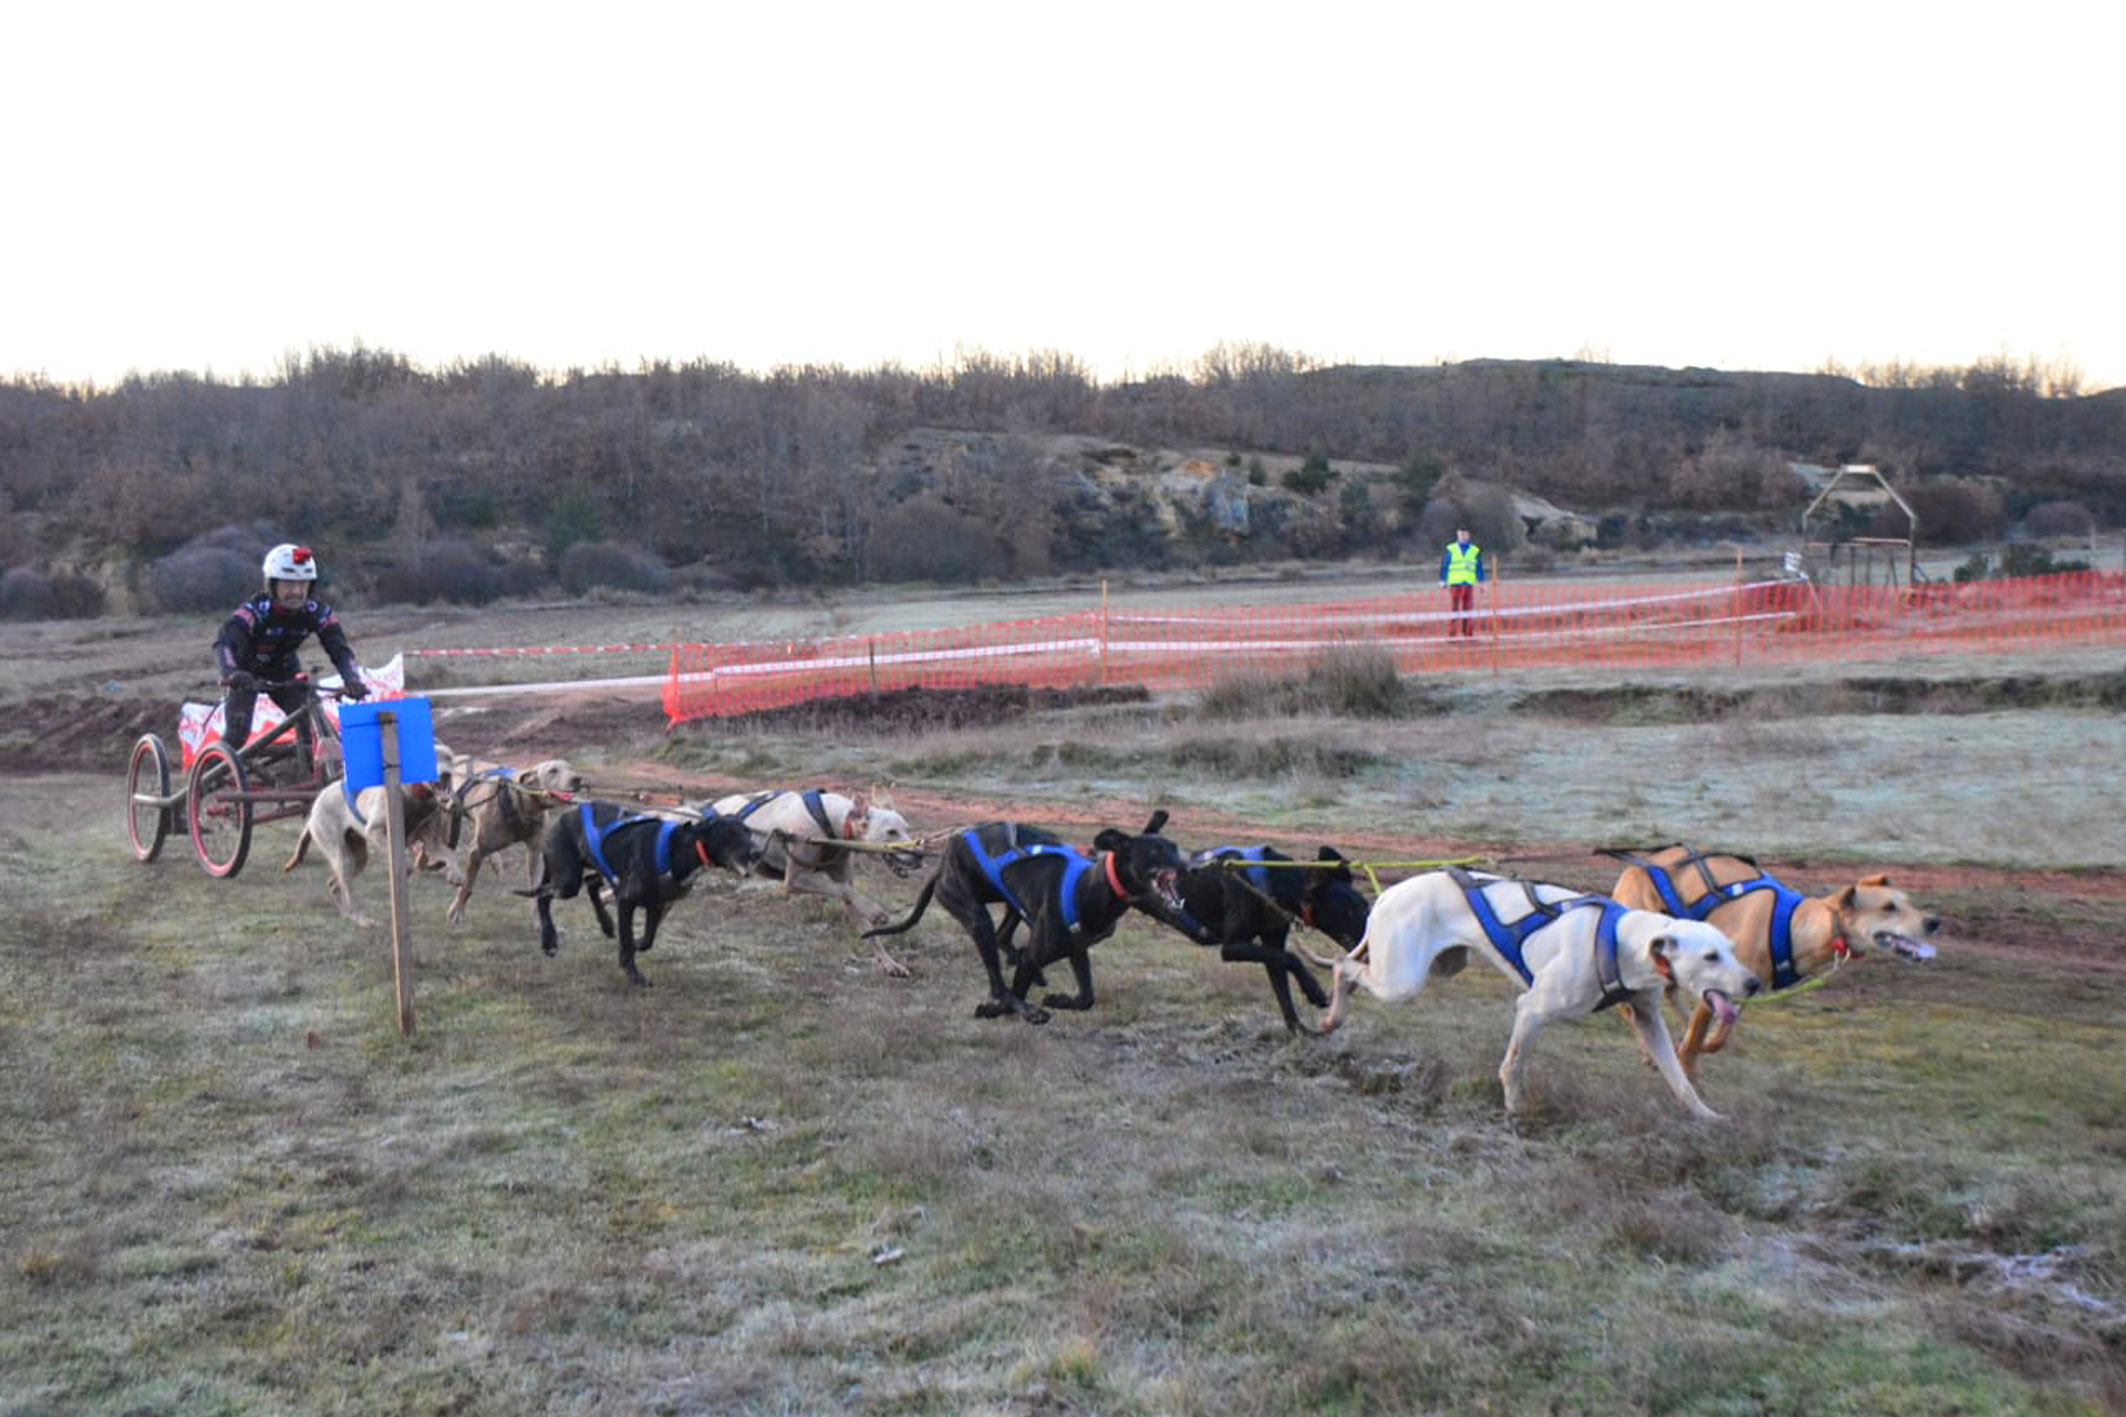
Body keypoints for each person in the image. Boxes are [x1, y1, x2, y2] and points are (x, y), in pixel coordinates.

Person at [214, 543, 369, 759]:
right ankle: (206, 778)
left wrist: (353, 679)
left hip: (283, 670)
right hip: (244, 673)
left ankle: (305, 773)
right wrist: (231, 673)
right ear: (273, 585)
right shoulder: (255, 611)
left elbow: (340, 650)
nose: (296, 592)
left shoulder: (317, 612)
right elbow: (224, 641)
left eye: (302, 585)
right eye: (288, 585)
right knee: (237, 735)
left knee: (311, 725)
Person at [1438, 526, 1486, 640]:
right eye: (1460, 534)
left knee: (1468, 609)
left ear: (1468, 535)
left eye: (1465, 534)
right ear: (1457, 535)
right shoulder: (1451, 549)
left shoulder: (1474, 550)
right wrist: (1442, 580)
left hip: (1468, 583)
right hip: (1455, 583)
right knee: (1455, 609)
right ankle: (1452, 634)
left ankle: (1468, 633)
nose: (1463, 537)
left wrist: (1481, 582)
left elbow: (1479, 567)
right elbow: (1445, 565)